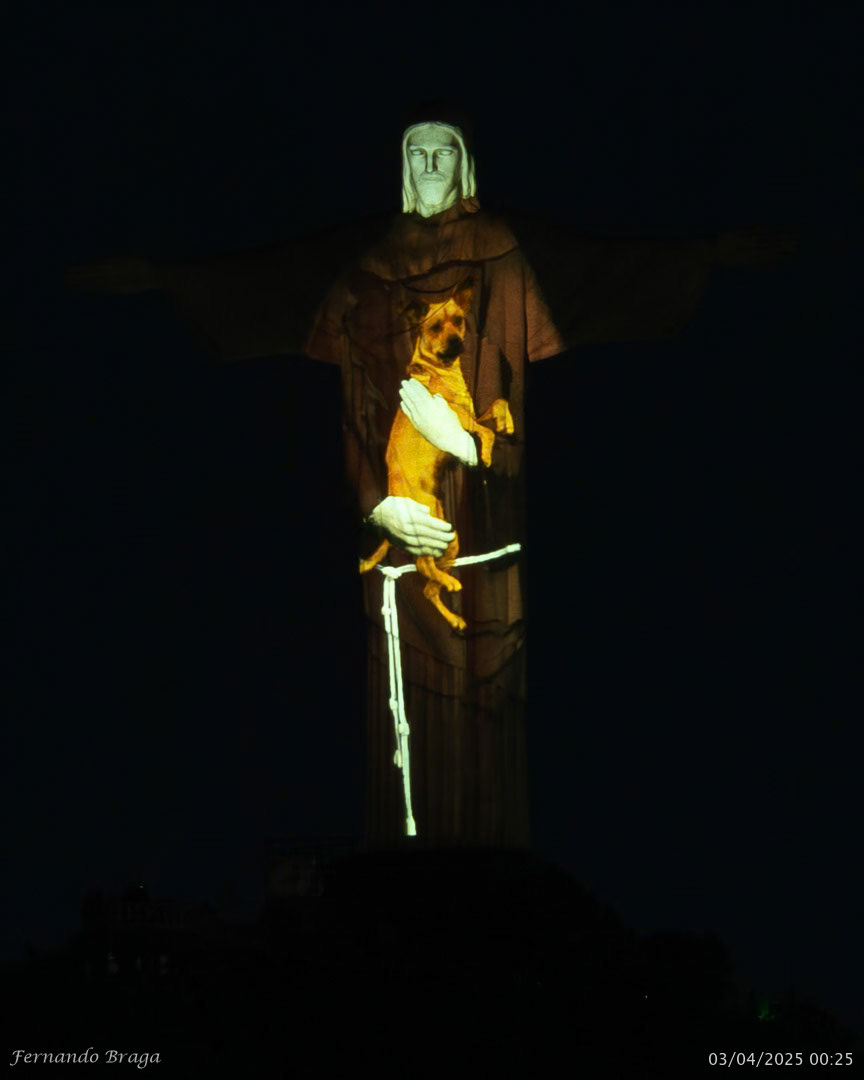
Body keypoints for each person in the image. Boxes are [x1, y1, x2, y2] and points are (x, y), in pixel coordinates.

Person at [65, 102, 796, 848]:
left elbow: (601, 267)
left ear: (467, 165)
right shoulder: (367, 266)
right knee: (399, 695)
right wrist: (165, 276)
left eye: (443, 154)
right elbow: (271, 277)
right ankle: (403, 852)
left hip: (485, 523)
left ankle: (489, 852)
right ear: (401, 168)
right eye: (416, 154)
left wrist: (704, 253)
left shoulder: (503, 252)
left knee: (490, 680)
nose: (429, 168)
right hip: (396, 519)